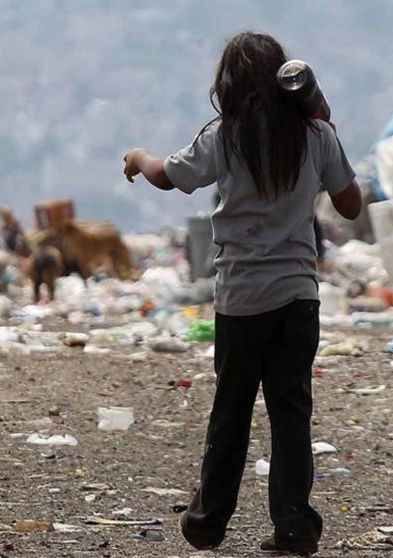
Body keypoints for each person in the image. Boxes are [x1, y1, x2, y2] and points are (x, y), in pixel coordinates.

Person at [122, 32, 361, 555]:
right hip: (299, 297)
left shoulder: (224, 136)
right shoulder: (315, 134)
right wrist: (326, 123)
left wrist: (140, 157)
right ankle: (294, 528)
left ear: (228, 84)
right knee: (291, 412)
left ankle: (207, 522)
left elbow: (170, 177)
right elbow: (350, 204)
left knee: (231, 411)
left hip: (242, 299)